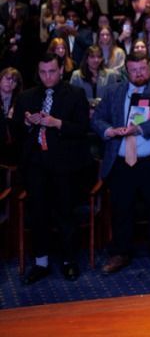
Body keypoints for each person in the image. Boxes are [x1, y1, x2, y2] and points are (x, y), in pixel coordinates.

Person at [92, 53, 150, 275]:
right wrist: (109, 131)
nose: (138, 74)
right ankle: (120, 253)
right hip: (122, 161)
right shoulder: (113, 91)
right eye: (133, 70)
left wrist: (139, 129)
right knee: (121, 209)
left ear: (149, 67)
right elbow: (97, 119)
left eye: (142, 69)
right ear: (126, 71)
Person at [12, 54, 92, 284]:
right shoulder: (26, 96)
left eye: (52, 71)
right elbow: (15, 131)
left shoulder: (75, 94)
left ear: (61, 70)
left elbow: (82, 128)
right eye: (43, 72)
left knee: (66, 213)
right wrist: (27, 122)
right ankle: (41, 262)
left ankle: (69, 261)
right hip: (35, 164)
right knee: (38, 214)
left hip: (65, 164)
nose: (47, 77)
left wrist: (57, 123)